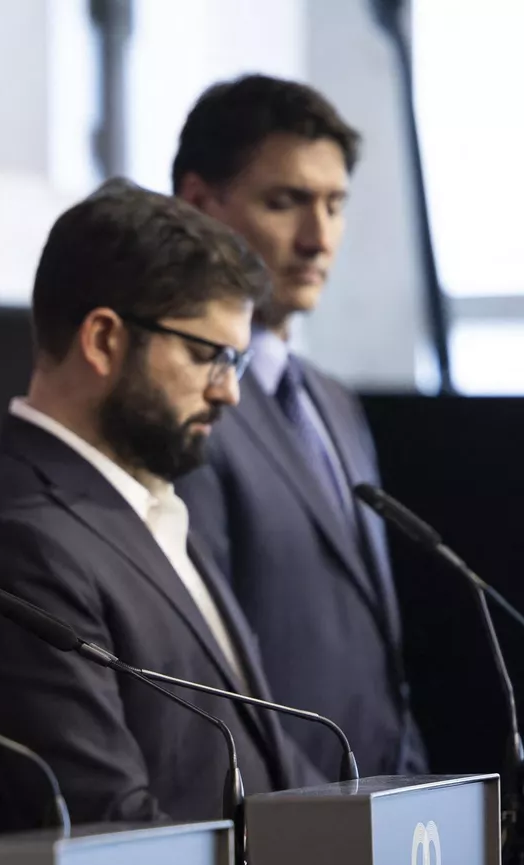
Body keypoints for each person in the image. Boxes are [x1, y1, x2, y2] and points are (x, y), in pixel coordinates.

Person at [0, 180, 325, 836]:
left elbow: (267, 760)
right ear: (103, 340)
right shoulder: (14, 542)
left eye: (236, 362)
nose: (229, 393)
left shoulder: (152, 504)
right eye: (206, 356)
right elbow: (110, 822)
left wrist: (354, 844)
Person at [172, 76, 423, 778]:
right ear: (199, 204)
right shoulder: (181, 407)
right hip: (289, 832)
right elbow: (209, 673)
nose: (318, 238)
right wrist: (321, 822)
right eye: (284, 203)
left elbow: (376, 662)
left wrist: (412, 792)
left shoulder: (335, 403)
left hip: (388, 818)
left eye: (335, 205)